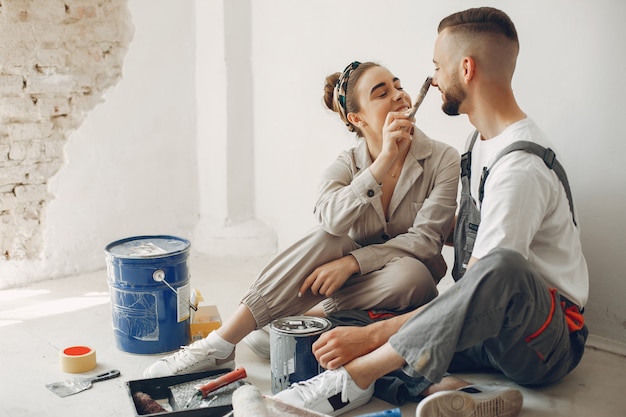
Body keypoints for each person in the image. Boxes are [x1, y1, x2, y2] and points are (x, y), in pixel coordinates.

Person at [273, 7, 589, 417]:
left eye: (438, 68)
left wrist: (374, 338)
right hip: (484, 328)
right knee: (331, 332)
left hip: (541, 340)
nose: (433, 80)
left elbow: (484, 285)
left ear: (467, 68)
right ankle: (458, 391)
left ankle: (359, 376)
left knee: (500, 267)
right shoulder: (479, 143)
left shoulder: (519, 168)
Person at [143, 61, 460, 378]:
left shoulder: (444, 159)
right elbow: (333, 221)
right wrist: (384, 161)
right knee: (325, 240)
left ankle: (299, 311)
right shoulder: (346, 164)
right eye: (382, 93)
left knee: (413, 276)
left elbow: (426, 242)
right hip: (364, 292)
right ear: (357, 118)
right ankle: (220, 343)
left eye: (397, 86)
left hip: (403, 287)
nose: (399, 96)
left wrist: (352, 262)